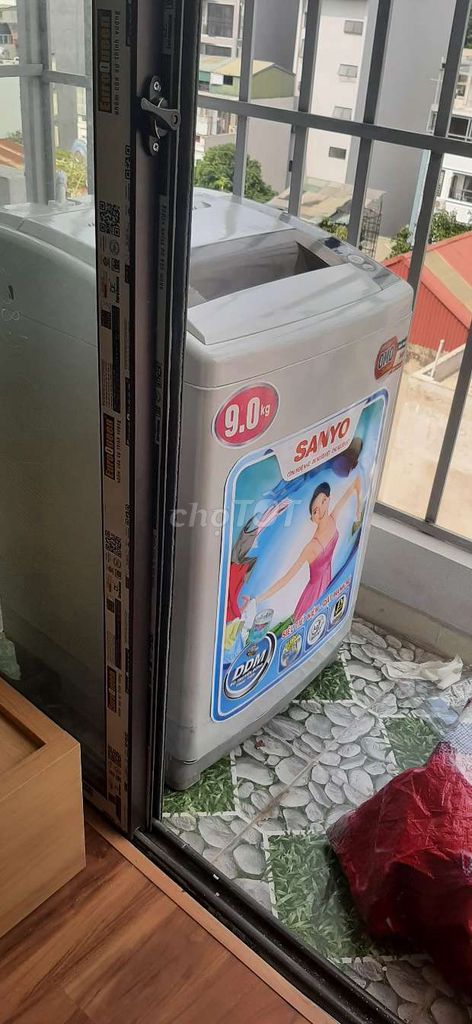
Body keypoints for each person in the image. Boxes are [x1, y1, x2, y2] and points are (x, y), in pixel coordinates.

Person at [254, 477, 362, 621]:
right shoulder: (311, 546)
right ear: (312, 517)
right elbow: (286, 579)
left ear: (328, 500)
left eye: (323, 502)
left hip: (327, 585)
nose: (320, 511)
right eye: (315, 511)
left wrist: (358, 506)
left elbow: (353, 486)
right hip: (312, 596)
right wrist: (256, 600)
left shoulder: (332, 519)